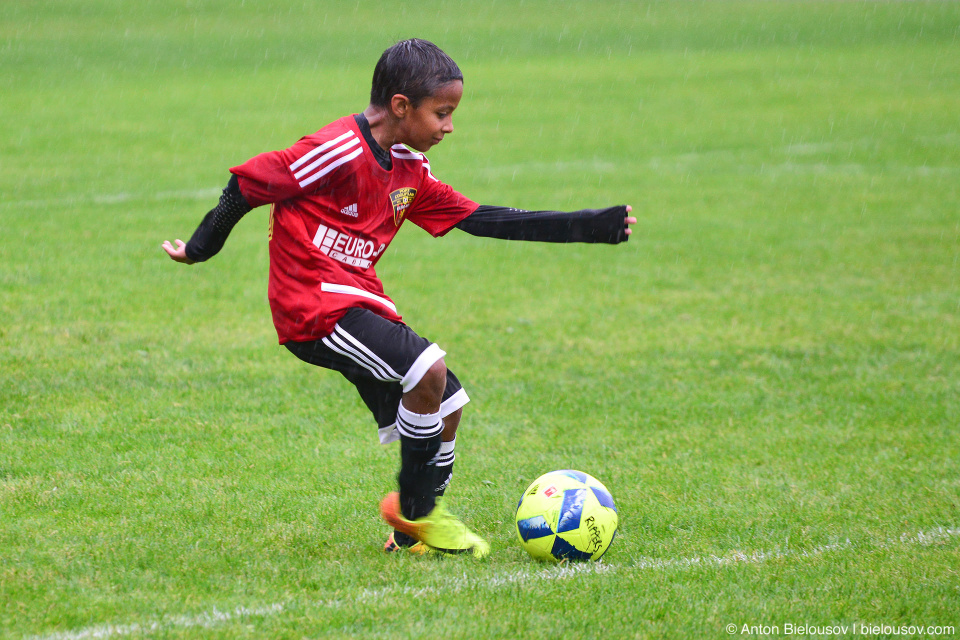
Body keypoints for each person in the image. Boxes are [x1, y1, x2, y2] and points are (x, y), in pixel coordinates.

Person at [162, 38, 635, 558]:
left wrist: (590, 226)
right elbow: (248, 185)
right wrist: (201, 247)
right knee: (427, 370)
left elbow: (480, 219)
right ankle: (419, 509)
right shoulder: (335, 149)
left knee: (448, 404)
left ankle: (411, 533)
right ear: (401, 106)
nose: (449, 126)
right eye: (442, 113)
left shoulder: (409, 168)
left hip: (357, 299)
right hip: (311, 303)